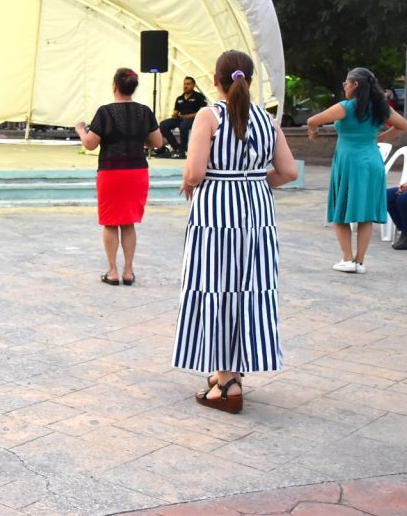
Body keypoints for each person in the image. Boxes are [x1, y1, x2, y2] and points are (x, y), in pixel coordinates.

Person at [172, 50, 298, 414]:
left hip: (216, 213)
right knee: (250, 288)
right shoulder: (267, 120)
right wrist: (255, 182)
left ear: (216, 80)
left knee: (217, 287)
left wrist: (189, 181)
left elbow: (196, 172)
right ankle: (233, 371)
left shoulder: (208, 116)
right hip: (258, 213)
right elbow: (288, 172)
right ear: (250, 80)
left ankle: (227, 383)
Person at [306, 67, 407, 273]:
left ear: (355, 85)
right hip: (372, 162)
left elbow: (312, 120)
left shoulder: (346, 107)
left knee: (340, 211)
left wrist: (313, 131)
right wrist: (378, 138)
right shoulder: (380, 107)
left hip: (349, 162)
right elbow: (403, 125)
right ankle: (359, 262)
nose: (344, 86)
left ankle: (347, 259)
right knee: (365, 214)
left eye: (346, 82)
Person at [75, 67, 162, 286]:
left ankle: (112, 271)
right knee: (129, 223)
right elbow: (158, 142)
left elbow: (90, 144)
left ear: (114, 86)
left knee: (111, 222)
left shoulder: (105, 112)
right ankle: (128, 271)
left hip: (111, 172)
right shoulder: (144, 111)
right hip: (137, 172)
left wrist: (81, 130)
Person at [158, 76, 207, 158]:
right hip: (181, 119)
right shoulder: (179, 98)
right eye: (184, 84)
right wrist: (174, 114)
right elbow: (176, 111)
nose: (185, 86)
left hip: (194, 119)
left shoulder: (199, 96)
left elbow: (202, 111)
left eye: (188, 84)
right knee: (163, 124)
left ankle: (183, 149)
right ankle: (176, 147)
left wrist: (188, 116)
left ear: (193, 85)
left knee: (183, 126)